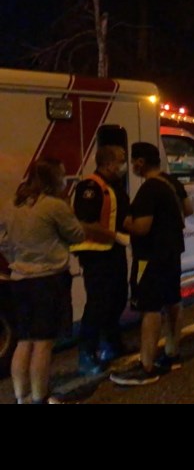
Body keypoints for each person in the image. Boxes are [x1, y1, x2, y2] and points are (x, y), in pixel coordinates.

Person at [0, 157, 115, 403]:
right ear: (53, 179)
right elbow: (75, 235)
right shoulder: (54, 205)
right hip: (48, 281)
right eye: (62, 174)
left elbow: (2, 240)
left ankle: (22, 397)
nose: (65, 178)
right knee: (43, 343)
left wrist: (16, 257)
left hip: (19, 279)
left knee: (24, 341)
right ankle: (41, 396)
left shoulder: (11, 204)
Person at [110, 142, 194, 386]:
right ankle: (172, 352)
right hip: (172, 253)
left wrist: (125, 223)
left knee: (151, 309)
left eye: (133, 161)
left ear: (140, 163)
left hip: (150, 258)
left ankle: (146, 365)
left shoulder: (148, 189)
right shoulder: (171, 182)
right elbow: (188, 209)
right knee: (173, 301)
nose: (131, 166)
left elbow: (142, 227)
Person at [71, 145, 132, 376]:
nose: (124, 164)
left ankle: (112, 344)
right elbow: (86, 223)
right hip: (95, 254)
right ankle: (87, 354)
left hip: (112, 251)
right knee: (97, 303)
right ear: (108, 164)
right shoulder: (90, 186)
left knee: (117, 298)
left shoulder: (114, 186)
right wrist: (114, 235)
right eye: (121, 160)